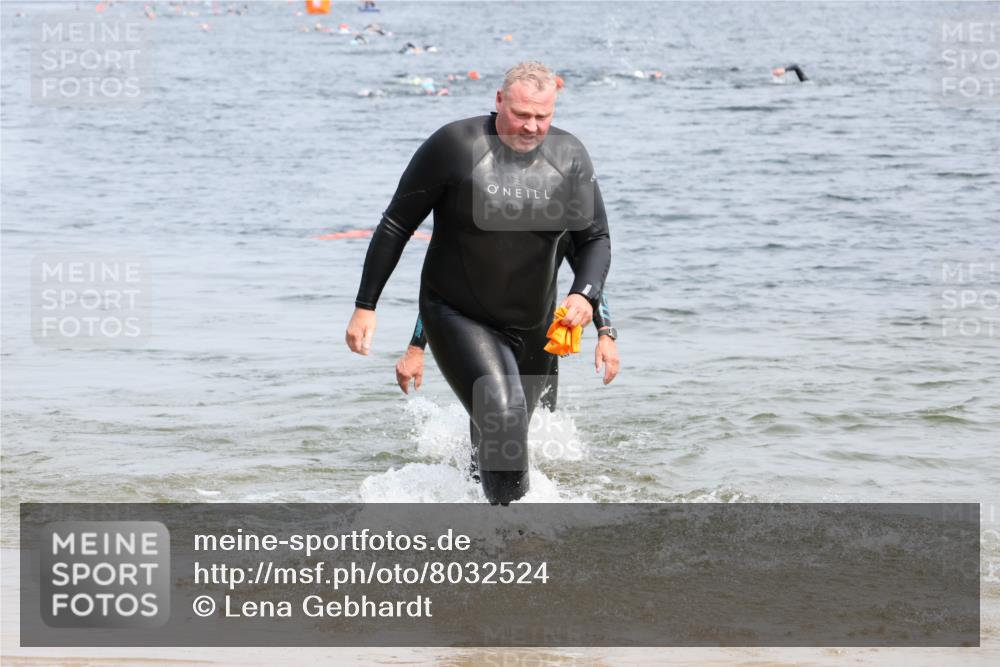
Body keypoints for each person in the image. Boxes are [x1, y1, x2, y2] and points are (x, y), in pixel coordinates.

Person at [346, 61, 611, 505]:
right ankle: (516, 535)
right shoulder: (455, 145)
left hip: (534, 325)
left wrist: (585, 296)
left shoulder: (569, 156)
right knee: (504, 415)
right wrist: (366, 304)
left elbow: (595, 240)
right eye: (521, 114)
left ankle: (470, 518)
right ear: (499, 101)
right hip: (457, 312)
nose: (531, 127)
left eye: (542, 117)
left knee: (510, 433)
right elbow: (396, 224)